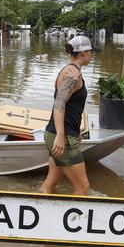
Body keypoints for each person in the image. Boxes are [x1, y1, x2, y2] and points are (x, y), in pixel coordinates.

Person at [39, 36, 92, 196]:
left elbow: (69, 106)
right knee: (82, 188)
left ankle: (40, 208)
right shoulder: (73, 76)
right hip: (62, 139)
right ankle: (77, 220)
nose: (91, 55)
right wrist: (62, 136)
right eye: (90, 52)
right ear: (83, 53)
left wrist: (75, 132)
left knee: (51, 183)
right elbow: (59, 104)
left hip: (57, 134)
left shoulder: (67, 70)